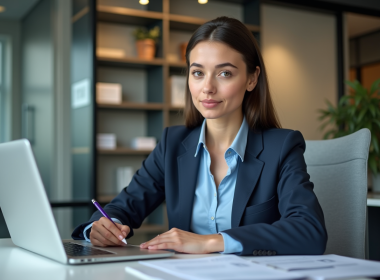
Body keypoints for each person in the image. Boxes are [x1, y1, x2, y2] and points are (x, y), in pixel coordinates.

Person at [72, 16, 327, 255]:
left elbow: (309, 230)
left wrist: (210, 242)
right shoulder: (173, 144)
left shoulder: (282, 147)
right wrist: (105, 226)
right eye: (198, 72)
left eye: (224, 73)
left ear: (252, 78)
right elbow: (122, 207)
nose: (208, 87)